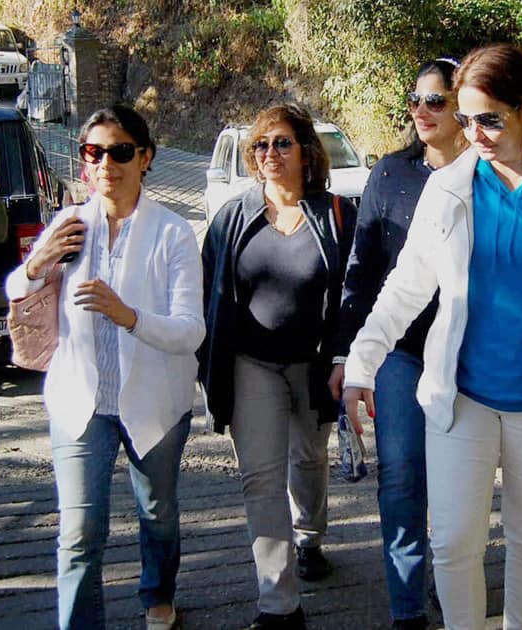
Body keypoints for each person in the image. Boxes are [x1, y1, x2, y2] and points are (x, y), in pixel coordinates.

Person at [343, 43, 522, 629]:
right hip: (461, 398)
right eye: (465, 117)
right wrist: (360, 363)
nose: (473, 132)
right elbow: (406, 287)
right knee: (452, 544)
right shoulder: (448, 187)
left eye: (489, 119)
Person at [5, 104, 204, 630]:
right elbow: (16, 289)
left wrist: (128, 316)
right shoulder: (68, 224)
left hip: (155, 402)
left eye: (120, 152)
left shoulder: (173, 233)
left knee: (157, 513)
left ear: (145, 158)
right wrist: (35, 262)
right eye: (94, 152)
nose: (105, 164)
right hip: (80, 402)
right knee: (79, 532)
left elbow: (190, 331)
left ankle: (157, 593)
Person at [199, 103, 356, 629]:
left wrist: (343, 356)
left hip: (312, 365)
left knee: (309, 459)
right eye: (261, 146)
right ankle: (279, 604)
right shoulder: (232, 217)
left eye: (281, 143)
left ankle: (309, 538)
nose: (270, 155)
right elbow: (209, 294)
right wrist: (205, 363)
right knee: (261, 479)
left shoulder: (336, 216)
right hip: (252, 364)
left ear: (307, 152)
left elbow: (353, 297)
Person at [329, 59, 464, 630]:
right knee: (403, 473)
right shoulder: (390, 174)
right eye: (415, 100)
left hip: (468, 350)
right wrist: (346, 354)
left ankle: (453, 577)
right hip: (400, 351)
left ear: (465, 108)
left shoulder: (490, 173)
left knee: (457, 478)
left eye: (436, 101)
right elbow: (361, 272)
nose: (421, 111)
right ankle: (407, 607)